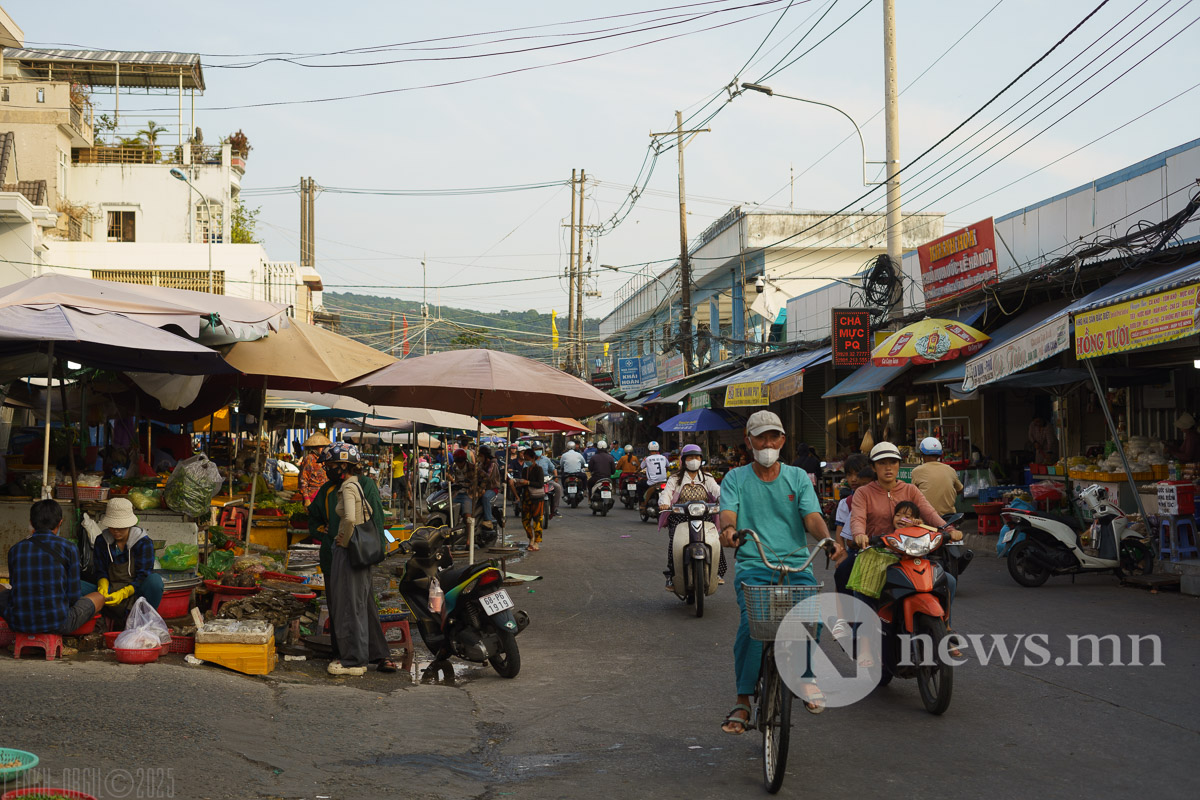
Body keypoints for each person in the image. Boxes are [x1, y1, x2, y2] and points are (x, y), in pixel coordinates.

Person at [717, 411, 844, 734]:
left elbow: (811, 516)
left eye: (774, 437)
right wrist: (730, 531)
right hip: (755, 565)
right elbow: (728, 514)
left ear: (783, 440)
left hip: (796, 564)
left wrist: (826, 539)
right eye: (761, 437)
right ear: (749, 440)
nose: (768, 443)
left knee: (811, 618)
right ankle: (743, 700)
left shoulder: (798, 477)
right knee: (751, 626)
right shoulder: (735, 478)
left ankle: (805, 678)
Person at [322, 443, 395, 676]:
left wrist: (344, 540)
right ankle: (353, 654)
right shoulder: (332, 488)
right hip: (351, 552)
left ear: (344, 465)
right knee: (354, 604)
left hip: (354, 552)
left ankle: (356, 658)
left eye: (332, 465)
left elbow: (362, 519)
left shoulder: (354, 486)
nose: (328, 469)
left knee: (352, 606)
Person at [0, 500, 106, 636]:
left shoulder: (15, 549)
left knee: (2, 589)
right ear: (60, 522)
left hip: (18, 622)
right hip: (58, 624)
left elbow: (15, 589)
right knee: (99, 597)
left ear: (31, 523)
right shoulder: (69, 548)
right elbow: (73, 596)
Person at [80, 497, 165, 622]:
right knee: (74, 586)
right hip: (110, 590)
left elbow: (143, 576)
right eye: (113, 526)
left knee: (155, 581)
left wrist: (123, 593)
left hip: (135, 592)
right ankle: (95, 622)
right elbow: (101, 571)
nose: (116, 530)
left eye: (121, 527)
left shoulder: (143, 542)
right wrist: (103, 586)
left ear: (130, 524)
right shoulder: (101, 541)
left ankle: (146, 622)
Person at [659, 443, 724, 590]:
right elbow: (666, 494)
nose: (693, 460)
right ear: (684, 460)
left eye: (696, 457)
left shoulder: (707, 477)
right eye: (690, 457)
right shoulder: (675, 478)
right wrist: (664, 503)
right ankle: (671, 575)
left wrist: (725, 500)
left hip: (704, 516)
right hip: (680, 517)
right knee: (674, 543)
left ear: (701, 459)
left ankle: (717, 572)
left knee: (715, 540)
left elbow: (717, 491)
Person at [829, 454, 873, 639]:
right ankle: (845, 619)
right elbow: (840, 532)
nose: (853, 479)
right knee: (842, 572)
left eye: (857, 474)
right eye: (849, 475)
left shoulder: (892, 493)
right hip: (858, 549)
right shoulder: (846, 502)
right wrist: (842, 554)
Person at [910, 437, 963, 518]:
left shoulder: (917, 471)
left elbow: (913, 495)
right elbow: (960, 489)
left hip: (926, 518)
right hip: (949, 517)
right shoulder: (950, 470)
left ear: (922, 454)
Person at [512, 446, 546, 550]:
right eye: (525, 458)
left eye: (527, 459)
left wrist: (528, 482)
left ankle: (536, 542)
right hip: (526, 498)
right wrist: (518, 483)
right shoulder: (525, 469)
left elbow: (540, 483)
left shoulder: (539, 469)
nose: (526, 461)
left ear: (532, 458)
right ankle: (530, 538)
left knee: (537, 520)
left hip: (537, 499)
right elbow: (523, 482)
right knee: (525, 520)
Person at [299, 432, 332, 505]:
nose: (323, 449)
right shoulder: (309, 459)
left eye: (324, 446)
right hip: (313, 496)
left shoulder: (325, 459)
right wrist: (306, 498)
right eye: (321, 447)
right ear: (315, 447)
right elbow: (303, 479)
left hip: (325, 495)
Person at [476, 446, 502, 531]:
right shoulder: (481, 464)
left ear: (485, 456)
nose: (479, 457)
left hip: (492, 488)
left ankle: (488, 520)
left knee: (485, 497)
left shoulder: (493, 464)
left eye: (480, 455)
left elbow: (487, 478)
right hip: (482, 487)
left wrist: (482, 488)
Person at [639, 441, 670, 512]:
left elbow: (641, 467)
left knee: (639, 485)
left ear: (649, 449)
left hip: (652, 483)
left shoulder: (647, 459)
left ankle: (642, 504)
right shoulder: (664, 457)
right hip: (663, 481)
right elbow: (668, 467)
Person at [535, 443, 561, 518]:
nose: (538, 451)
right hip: (534, 481)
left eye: (539, 449)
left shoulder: (546, 459)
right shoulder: (530, 459)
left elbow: (553, 469)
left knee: (558, 487)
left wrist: (555, 477)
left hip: (547, 480)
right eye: (536, 449)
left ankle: (555, 509)